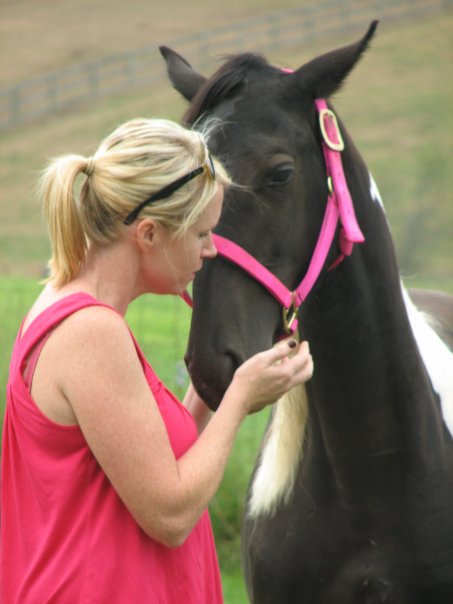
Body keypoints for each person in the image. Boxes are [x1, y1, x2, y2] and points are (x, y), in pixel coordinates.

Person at [0, 117, 313, 603]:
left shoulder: (74, 310)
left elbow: (141, 466)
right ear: (148, 234)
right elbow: (169, 515)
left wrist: (210, 397)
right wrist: (242, 400)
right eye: (203, 233)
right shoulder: (91, 332)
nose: (210, 251)